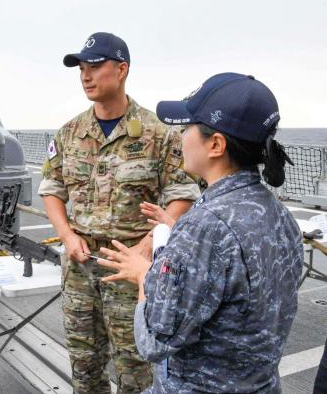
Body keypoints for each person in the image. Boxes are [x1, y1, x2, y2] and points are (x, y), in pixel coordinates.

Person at [97, 72, 303, 392]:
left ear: (216, 144)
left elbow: (154, 339)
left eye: (185, 128)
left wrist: (144, 275)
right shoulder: (278, 215)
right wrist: (179, 234)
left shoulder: (205, 228)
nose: (180, 136)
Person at [39, 32, 200, 393]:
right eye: (81, 68)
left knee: (135, 368)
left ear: (122, 69)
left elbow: (182, 195)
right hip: (80, 269)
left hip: (131, 268)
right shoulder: (70, 132)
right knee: (84, 365)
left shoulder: (159, 134)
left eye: (95, 66)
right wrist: (66, 234)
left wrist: (146, 246)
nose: (86, 76)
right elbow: (52, 189)